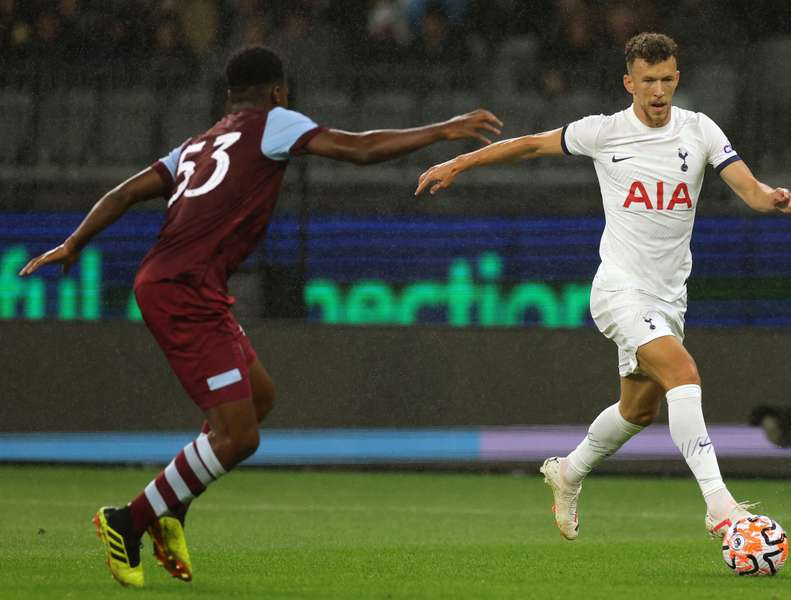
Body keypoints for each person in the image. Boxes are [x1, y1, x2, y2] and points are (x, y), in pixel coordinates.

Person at [18, 45, 502, 588]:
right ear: (277, 92)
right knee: (239, 436)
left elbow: (125, 191)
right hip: (182, 290)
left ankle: (170, 509)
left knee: (259, 397)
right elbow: (358, 149)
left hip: (189, 285)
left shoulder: (199, 143)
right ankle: (128, 521)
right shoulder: (274, 122)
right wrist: (442, 130)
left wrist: (75, 241)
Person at [416, 32, 791, 542]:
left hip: (669, 296)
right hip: (619, 289)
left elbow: (749, 189)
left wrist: (772, 196)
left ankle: (569, 471)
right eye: (648, 82)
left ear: (677, 78)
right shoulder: (603, 132)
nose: (658, 91)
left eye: (666, 79)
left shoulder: (700, 130)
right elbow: (530, 145)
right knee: (683, 373)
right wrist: (458, 163)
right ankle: (721, 508)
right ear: (629, 83)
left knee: (638, 410)